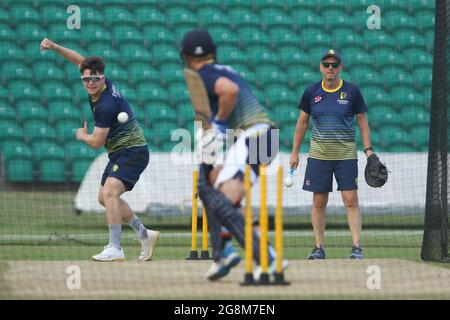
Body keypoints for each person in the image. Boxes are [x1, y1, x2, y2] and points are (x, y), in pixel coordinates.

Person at [40, 38, 160, 262]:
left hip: (132, 151)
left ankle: (115, 247)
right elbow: (79, 60)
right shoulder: (100, 82)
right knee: (104, 198)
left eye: (94, 79)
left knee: (110, 193)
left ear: (101, 77)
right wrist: (55, 47)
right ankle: (145, 235)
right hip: (120, 152)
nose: (90, 82)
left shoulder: (106, 105)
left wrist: (81, 135)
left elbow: (96, 142)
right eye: (86, 78)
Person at [180, 29, 286, 280]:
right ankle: (225, 250)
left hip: (255, 136)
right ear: (213, 51)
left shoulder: (205, 74)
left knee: (222, 199)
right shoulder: (221, 69)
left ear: (184, 55)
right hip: (264, 138)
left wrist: (217, 123)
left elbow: (229, 91)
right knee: (212, 189)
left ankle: (267, 258)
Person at [289, 49, 373, 260]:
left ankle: (356, 247)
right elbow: (302, 123)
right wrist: (295, 152)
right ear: (320, 67)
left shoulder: (352, 91)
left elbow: (362, 121)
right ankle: (319, 247)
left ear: (340, 68)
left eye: (334, 65)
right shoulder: (312, 92)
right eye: (326, 65)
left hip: (345, 155)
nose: (330, 69)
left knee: (350, 199)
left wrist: (368, 150)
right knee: (319, 201)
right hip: (319, 155)